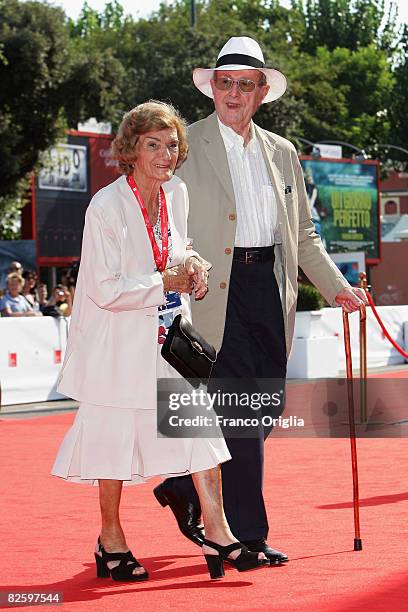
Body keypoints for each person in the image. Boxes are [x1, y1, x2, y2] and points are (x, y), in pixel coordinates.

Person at [153, 36, 368, 565]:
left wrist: (337, 286)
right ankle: (246, 534)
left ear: (262, 92)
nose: (233, 92)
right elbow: (161, 218)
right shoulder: (186, 144)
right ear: (212, 89)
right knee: (237, 413)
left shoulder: (283, 151)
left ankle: (183, 487)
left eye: (245, 85)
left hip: (269, 291)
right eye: (225, 83)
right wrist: (178, 266)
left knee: (264, 409)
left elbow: (302, 237)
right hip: (210, 294)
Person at [51, 101, 268, 582]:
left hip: (170, 343)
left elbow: (178, 246)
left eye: (172, 145)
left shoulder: (178, 193)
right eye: (154, 145)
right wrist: (164, 281)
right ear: (131, 150)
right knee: (111, 447)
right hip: (115, 347)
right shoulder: (105, 207)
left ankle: (219, 532)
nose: (166, 155)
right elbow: (103, 289)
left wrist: (193, 266)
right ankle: (111, 541)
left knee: (200, 434)